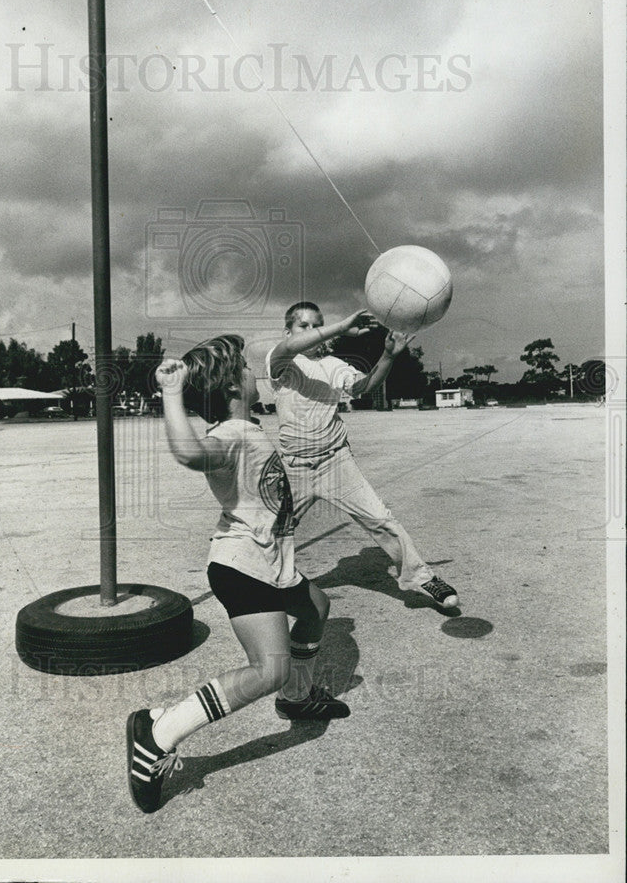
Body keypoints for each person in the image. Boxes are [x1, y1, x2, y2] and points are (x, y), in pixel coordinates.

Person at [127, 334, 349, 815]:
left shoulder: (248, 429)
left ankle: (296, 698)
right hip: (242, 566)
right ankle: (157, 732)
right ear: (232, 384)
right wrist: (170, 393)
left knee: (317, 608)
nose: (255, 374)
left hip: (267, 561)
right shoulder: (232, 433)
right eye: (247, 368)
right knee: (268, 669)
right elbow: (189, 455)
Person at [265, 302, 459, 609]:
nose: (314, 332)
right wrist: (341, 327)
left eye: (318, 324)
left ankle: (420, 576)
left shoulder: (334, 365)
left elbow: (363, 386)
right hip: (294, 468)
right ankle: (261, 583)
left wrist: (388, 356)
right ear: (288, 331)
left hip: (335, 460)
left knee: (380, 518)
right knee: (272, 530)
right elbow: (289, 348)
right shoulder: (281, 362)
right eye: (305, 326)